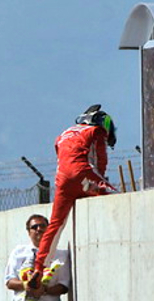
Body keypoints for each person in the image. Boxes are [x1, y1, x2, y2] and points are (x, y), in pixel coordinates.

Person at [29, 104, 117, 286]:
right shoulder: (95, 131)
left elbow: (63, 158)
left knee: (55, 224)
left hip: (62, 182)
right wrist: (100, 182)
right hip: (83, 173)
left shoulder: (62, 135)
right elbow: (101, 160)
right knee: (116, 198)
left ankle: (38, 268)